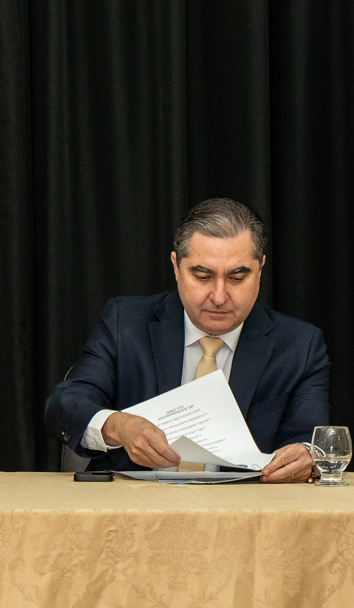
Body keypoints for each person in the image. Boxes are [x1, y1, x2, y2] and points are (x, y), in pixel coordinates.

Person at [44, 197, 327, 482]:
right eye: (202, 276)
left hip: (244, 505)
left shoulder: (299, 346)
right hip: (131, 502)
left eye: (237, 278)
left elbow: (310, 438)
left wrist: (307, 456)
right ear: (176, 267)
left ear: (260, 269)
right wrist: (119, 426)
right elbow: (65, 404)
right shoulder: (126, 323)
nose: (219, 296)